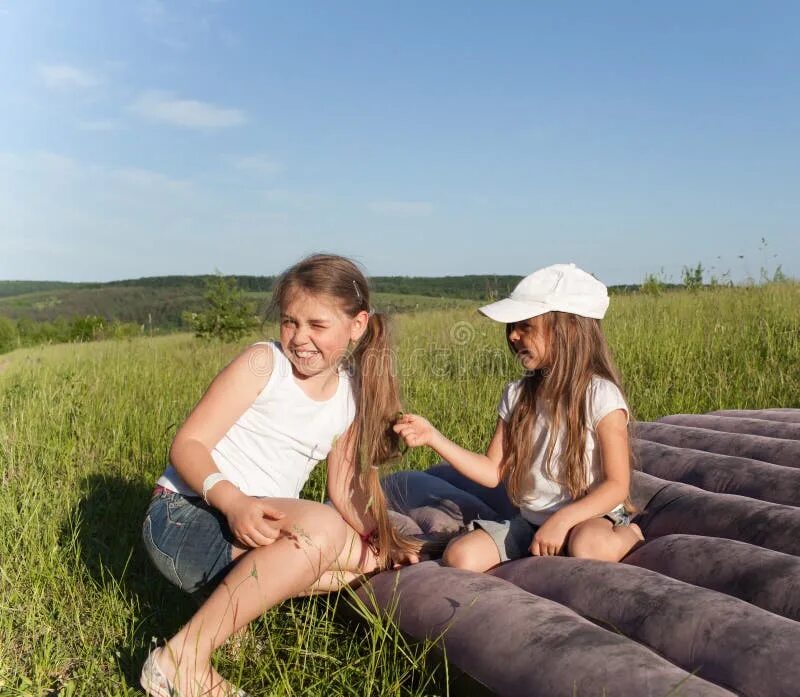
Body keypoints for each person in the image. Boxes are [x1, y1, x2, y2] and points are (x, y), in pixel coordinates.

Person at [140, 254, 419, 697]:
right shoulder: (262, 364)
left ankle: (222, 615)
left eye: (317, 325)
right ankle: (182, 658)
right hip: (186, 517)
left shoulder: (349, 393)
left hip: (251, 528)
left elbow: (345, 486)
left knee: (365, 562)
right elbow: (188, 445)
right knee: (323, 530)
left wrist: (378, 539)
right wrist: (232, 501)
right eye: (290, 322)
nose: (300, 338)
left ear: (358, 325)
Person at [393, 263, 644, 572]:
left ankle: (630, 534)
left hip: (590, 519)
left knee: (586, 546)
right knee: (461, 557)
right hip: (532, 523)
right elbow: (493, 471)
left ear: (569, 329)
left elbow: (618, 485)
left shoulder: (600, 396)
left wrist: (562, 521)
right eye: (512, 326)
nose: (513, 335)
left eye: (526, 325)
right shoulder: (517, 395)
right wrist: (434, 437)